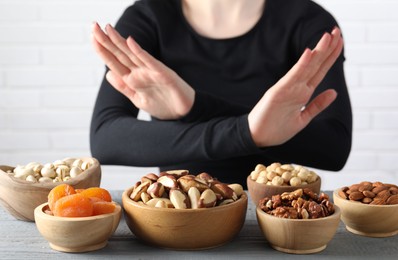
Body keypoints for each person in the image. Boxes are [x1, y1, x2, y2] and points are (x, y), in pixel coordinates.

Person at [90, 0, 352, 187]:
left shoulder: (307, 20)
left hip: (274, 216)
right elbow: (107, 138)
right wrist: (246, 132)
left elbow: (334, 147)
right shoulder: (148, 16)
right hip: (178, 215)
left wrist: (197, 108)